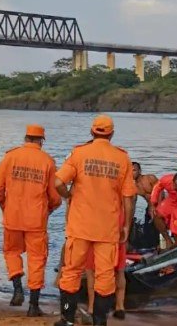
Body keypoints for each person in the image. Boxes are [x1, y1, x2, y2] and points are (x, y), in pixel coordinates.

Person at [54, 114, 137, 326]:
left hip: (80, 226)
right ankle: (100, 321)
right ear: (112, 134)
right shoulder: (122, 158)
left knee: (71, 272)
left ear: (92, 132)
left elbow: (57, 183)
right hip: (107, 229)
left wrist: (69, 196)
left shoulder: (79, 153)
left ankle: (67, 319)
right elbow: (128, 198)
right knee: (105, 276)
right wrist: (126, 225)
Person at [0, 124, 61, 317]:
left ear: (26, 138)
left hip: (12, 216)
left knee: (11, 252)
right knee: (37, 259)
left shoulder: (10, 157)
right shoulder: (47, 161)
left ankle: (17, 289)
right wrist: (50, 209)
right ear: (41, 140)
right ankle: (33, 306)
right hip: (36, 220)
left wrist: (6, 206)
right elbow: (55, 197)